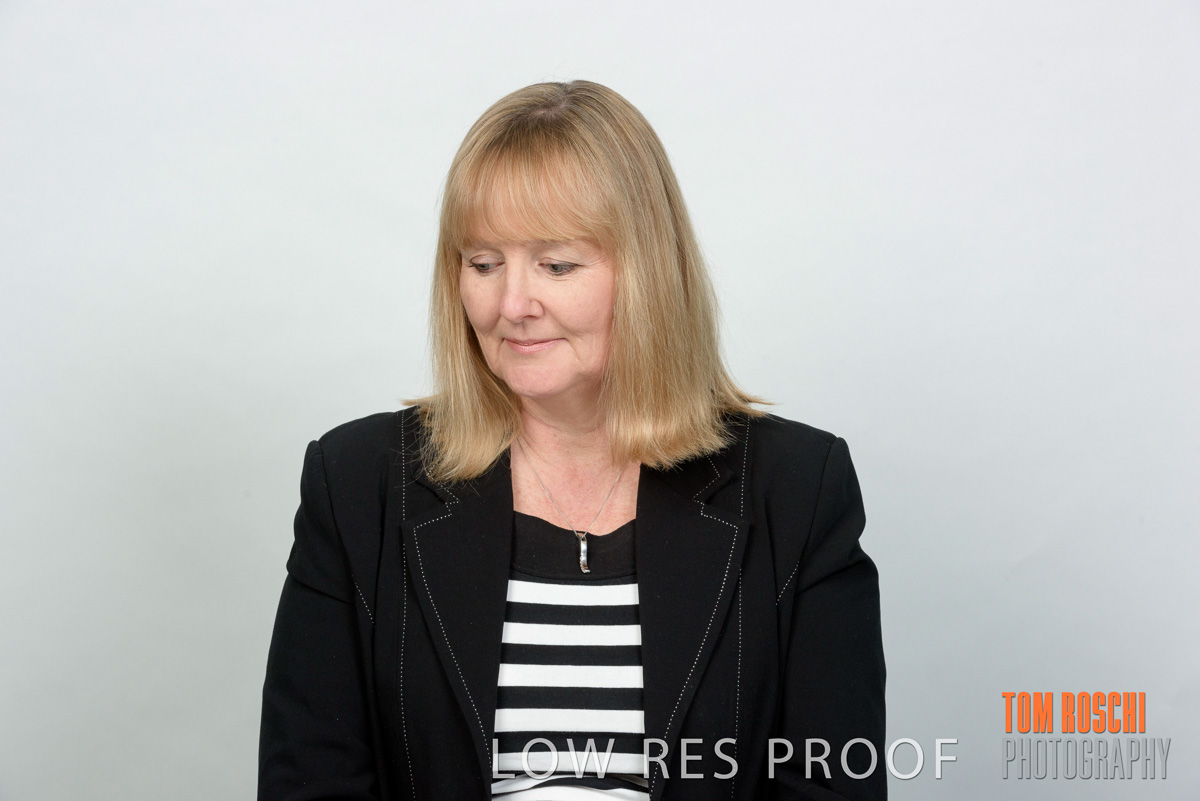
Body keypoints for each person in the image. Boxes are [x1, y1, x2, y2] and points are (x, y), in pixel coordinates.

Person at [259, 80, 886, 801]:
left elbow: (832, 784)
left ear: (649, 273)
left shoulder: (799, 488)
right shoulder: (356, 483)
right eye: (483, 263)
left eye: (556, 265)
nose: (511, 305)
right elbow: (310, 784)